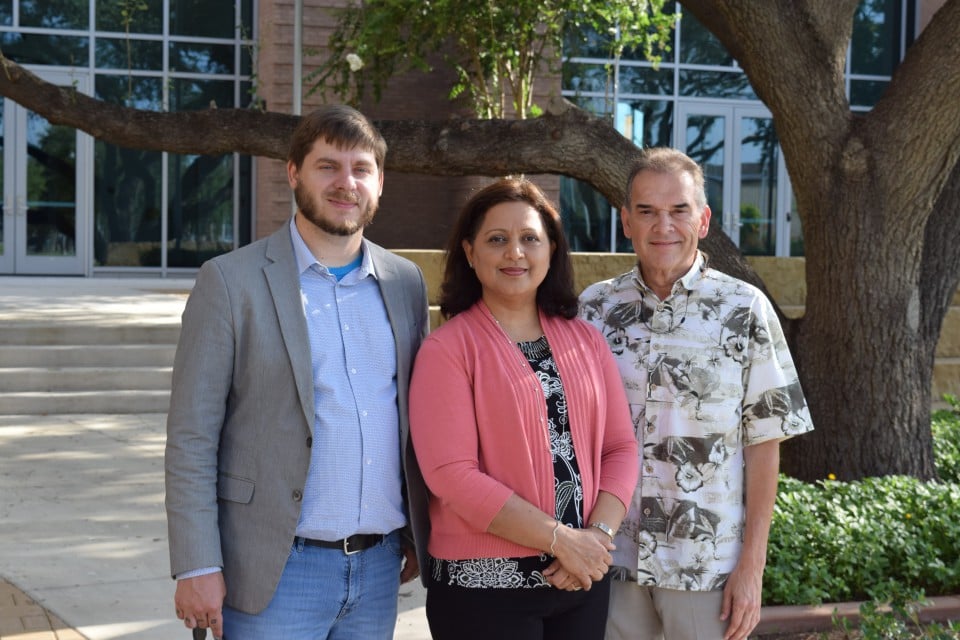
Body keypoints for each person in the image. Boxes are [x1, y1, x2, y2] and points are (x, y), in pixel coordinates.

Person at [164, 104, 430, 640]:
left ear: (380, 182)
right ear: (293, 173)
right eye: (327, 166)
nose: (345, 183)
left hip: (379, 571)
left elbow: (410, 421)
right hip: (275, 571)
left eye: (361, 168)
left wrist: (417, 532)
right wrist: (197, 564)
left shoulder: (406, 283)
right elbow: (192, 436)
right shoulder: (229, 282)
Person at [578, 147, 814, 640]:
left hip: (705, 567)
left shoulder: (744, 308)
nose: (663, 225)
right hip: (608, 558)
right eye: (646, 211)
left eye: (678, 210)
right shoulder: (593, 309)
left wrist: (752, 566)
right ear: (626, 221)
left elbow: (765, 442)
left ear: (703, 220)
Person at [408, 178, 639, 640]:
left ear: (551, 250)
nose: (515, 252)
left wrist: (595, 540)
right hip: (485, 592)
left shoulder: (586, 340)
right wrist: (562, 540)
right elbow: (451, 476)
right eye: (498, 240)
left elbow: (620, 448)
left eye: (530, 238)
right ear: (470, 253)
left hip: (579, 581)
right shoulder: (447, 350)